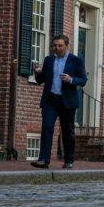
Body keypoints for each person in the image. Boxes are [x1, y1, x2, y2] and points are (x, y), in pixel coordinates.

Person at [30, 34, 87, 169]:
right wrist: (37, 73)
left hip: (67, 101)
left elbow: (83, 80)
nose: (57, 48)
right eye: (55, 45)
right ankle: (44, 160)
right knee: (46, 128)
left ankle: (69, 160)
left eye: (60, 45)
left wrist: (71, 79)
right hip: (51, 100)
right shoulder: (49, 60)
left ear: (66, 46)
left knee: (67, 131)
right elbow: (41, 80)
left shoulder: (76, 61)